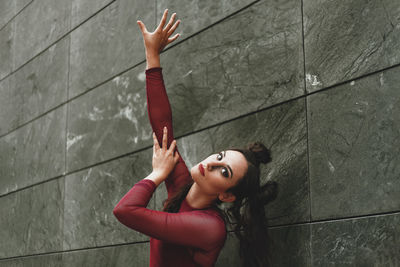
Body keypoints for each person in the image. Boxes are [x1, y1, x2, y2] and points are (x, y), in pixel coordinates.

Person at [113, 9, 278, 267]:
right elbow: (163, 127)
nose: (211, 163)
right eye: (220, 156)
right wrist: (152, 54)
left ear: (226, 196)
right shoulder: (182, 187)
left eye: (223, 172)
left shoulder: (210, 228)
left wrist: (157, 174)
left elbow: (125, 211)